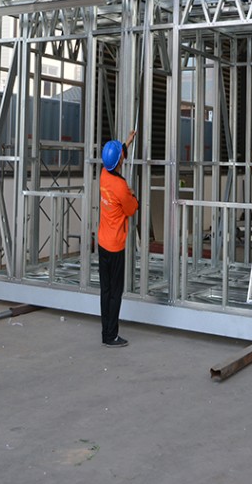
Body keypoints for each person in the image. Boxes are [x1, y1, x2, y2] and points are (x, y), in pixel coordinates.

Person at [98, 130, 139, 347]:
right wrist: (132, 195)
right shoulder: (121, 186)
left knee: (105, 291)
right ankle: (111, 335)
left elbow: (115, 156)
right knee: (115, 293)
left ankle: (105, 331)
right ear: (120, 162)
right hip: (115, 246)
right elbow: (132, 209)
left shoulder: (104, 174)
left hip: (102, 242)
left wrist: (127, 142)